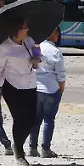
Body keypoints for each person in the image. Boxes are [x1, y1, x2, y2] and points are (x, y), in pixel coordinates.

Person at [0, 17, 38, 166]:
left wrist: (37, 59)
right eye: (25, 27)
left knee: (31, 120)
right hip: (12, 87)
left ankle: (18, 144)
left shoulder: (29, 41)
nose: (27, 30)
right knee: (20, 119)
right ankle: (19, 152)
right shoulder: (4, 48)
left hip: (30, 84)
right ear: (17, 30)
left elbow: (39, 55)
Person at [31, 27, 67, 158]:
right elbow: (61, 75)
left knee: (35, 120)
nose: (59, 35)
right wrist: (61, 89)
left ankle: (32, 147)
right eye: (57, 32)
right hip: (51, 89)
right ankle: (45, 149)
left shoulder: (36, 48)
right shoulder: (56, 52)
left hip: (36, 88)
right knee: (48, 120)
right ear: (53, 34)